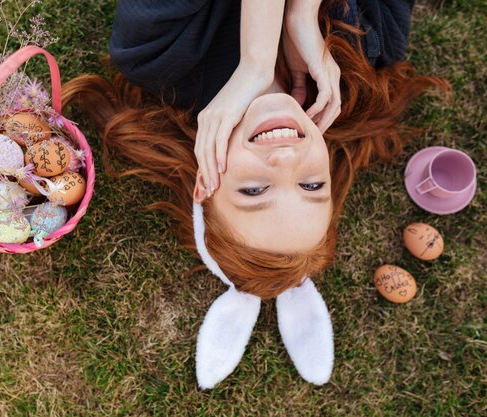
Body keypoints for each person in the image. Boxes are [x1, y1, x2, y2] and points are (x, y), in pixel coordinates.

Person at [61, 0, 449, 386]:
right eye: (312, 185)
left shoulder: (154, 54)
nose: (285, 160)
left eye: (254, 190)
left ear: (205, 186)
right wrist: (304, 16)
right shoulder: (368, 48)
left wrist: (258, 61)